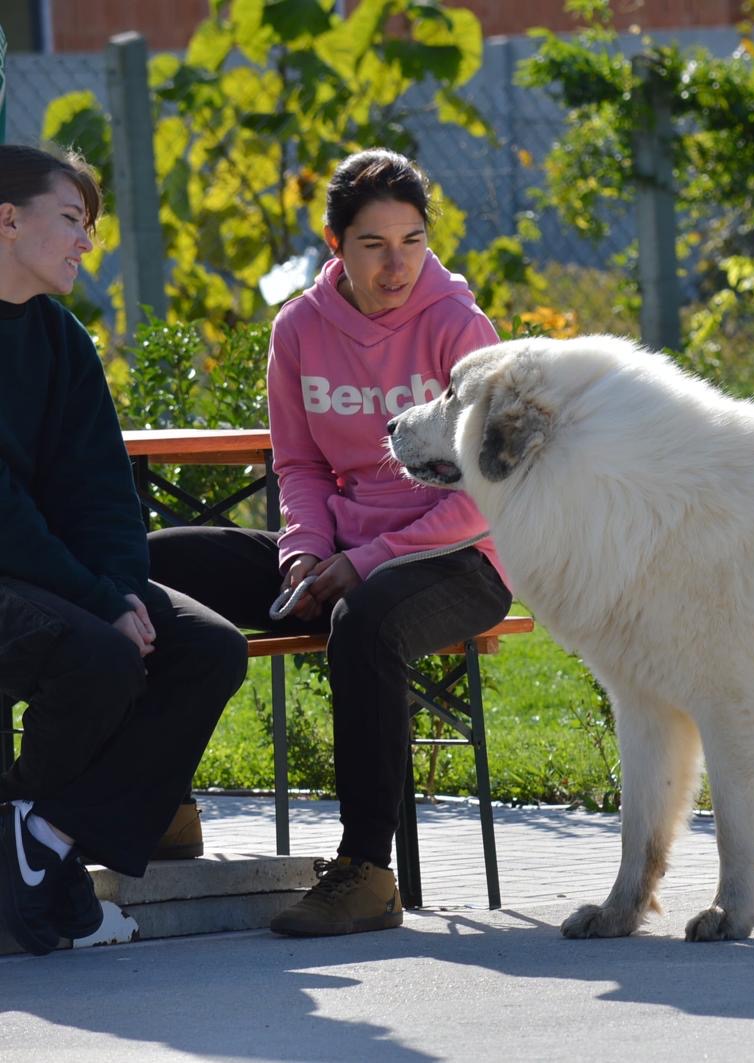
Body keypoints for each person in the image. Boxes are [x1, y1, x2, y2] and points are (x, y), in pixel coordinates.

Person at [148, 148, 511, 937]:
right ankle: (160, 801)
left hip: (457, 559)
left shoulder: (459, 325)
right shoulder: (301, 328)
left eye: (412, 240)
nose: (396, 265)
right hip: (338, 552)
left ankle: (366, 871)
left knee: (366, 619)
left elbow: (487, 490)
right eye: (374, 244)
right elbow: (300, 464)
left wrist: (365, 561)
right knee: (151, 560)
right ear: (334, 242)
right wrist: (303, 554)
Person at [0, 144, 248, 957]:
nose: (84, 242)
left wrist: (125, 589)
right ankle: (36, 861)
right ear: (7, 219)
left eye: (90, 226)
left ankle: (45, 834)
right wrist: (101, 600)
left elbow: (103, 494)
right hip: (19, 576)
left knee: (208, 645)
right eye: (71, 219)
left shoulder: (62, 340)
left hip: (46, 579)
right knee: (102, 654)